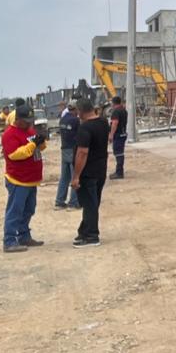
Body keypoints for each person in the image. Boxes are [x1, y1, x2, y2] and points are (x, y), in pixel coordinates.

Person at [0, 105, 47, 253]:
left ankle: (24, 236)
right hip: (18, 179)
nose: (29, 123)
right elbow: (15, 154)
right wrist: (32, 144)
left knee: (29, 209)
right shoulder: (9, 134)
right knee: (15, 211)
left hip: (31, 179)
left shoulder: (30, 130)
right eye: (26, 121)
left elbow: (38, 148)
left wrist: (41, 142)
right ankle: (9, 241)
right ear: (18, 119)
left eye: (30, 120)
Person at [70, 97, 109, 248]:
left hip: (88, 172)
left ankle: (92, 236)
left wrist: (76, 176)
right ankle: (84, 231)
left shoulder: (85, 128)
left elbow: (82, 152)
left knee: (89, 204)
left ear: (80, 111)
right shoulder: (103, 123)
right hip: (100, 170)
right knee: (93, 203)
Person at [55, 101, 81, 210]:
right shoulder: (76, 120)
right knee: (75, 177)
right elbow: (80, 135)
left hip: (64, 149)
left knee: (64, 177)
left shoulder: (63, 119)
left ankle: (59, 201)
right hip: (73, 150)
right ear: (75, 109)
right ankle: (73, 203)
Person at [108, 95, 128, 179]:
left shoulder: (116, 111)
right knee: (120, 152)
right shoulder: (124, 110)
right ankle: (119, 171)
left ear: (113, 103)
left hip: (118, 134)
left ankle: (119, 172)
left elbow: (115, 123)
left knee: (118, 153)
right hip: (123, 133)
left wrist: (111, 135)